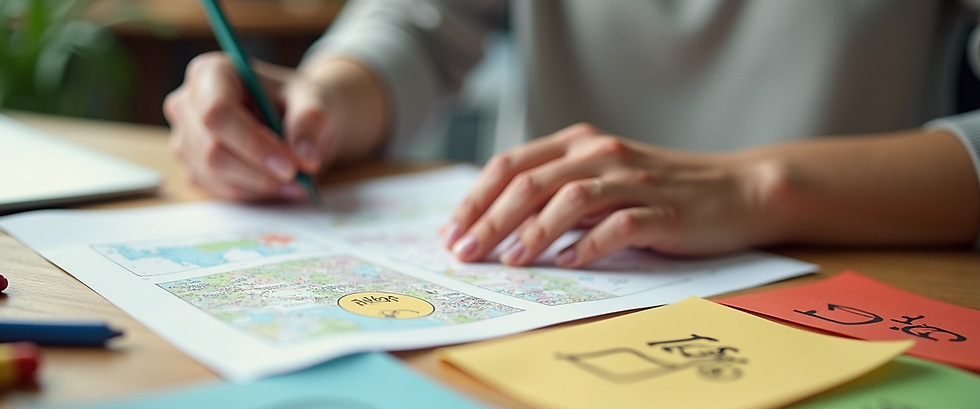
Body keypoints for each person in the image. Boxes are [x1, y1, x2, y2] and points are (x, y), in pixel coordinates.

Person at [164, 0, 980, 269]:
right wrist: (319, 105)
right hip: (555, 283)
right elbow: (421, 25)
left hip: (864, 271)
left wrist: (759, 186)